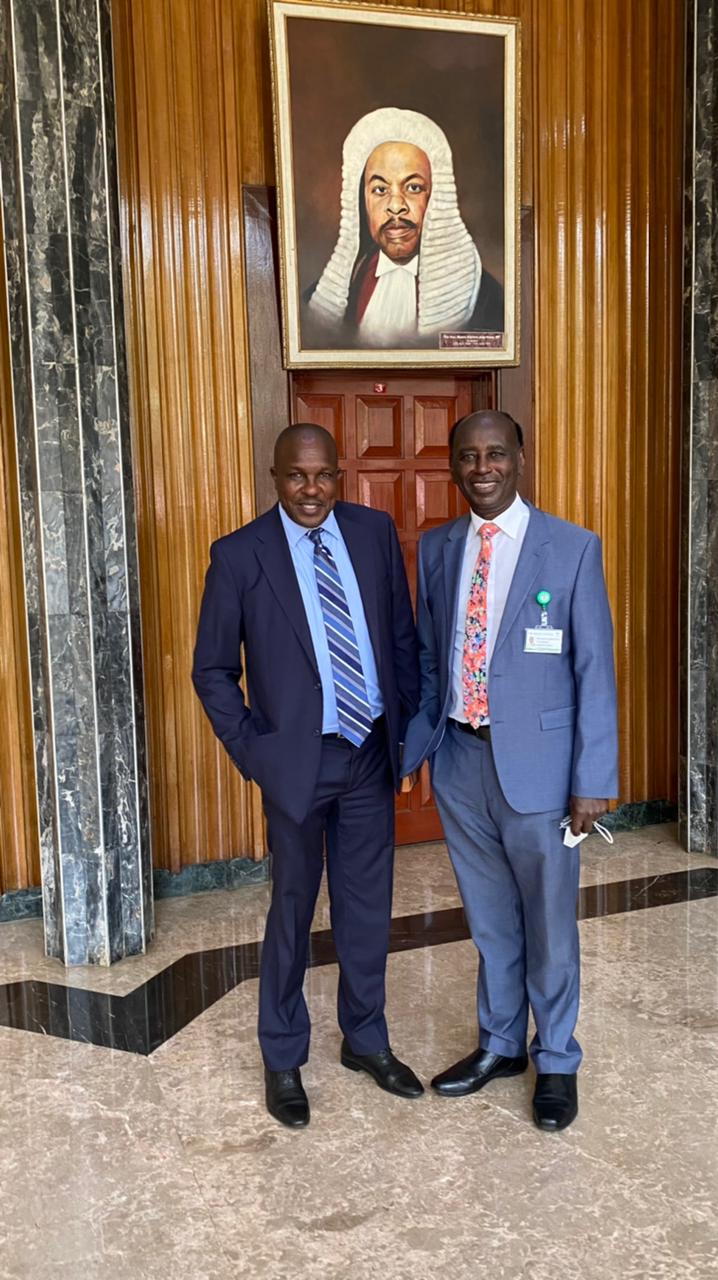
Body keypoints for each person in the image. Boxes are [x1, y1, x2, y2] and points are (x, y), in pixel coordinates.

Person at [192, 424, 423, 1128]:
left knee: (365, 905)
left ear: (339, 475)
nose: (312, 489)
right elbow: (212, 672)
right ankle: (283, 1055)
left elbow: (402, 638)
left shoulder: (374, 532)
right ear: (275, 476)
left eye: (324, 475)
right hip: (295, 764)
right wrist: (255, 752)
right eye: (298, 476)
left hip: (367, 755)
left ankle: (366, 1039)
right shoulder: (238, 556)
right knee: (292, 909)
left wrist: (406, 741)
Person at [402, 410, 618, 1131]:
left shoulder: (572, 549)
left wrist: (592, 777)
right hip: (462, 761)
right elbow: (433, 660)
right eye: (468, 456)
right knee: (491, 919)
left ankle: (555, 1056)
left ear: (520, 460)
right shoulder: (437, 549)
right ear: (454, 466)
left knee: (549, 921)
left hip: (544, 769)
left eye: (496, 454)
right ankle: (500, 1043)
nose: (482, 468)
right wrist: (419, 750)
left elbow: (594, 669)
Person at [305, 107, 503, 349]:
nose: (396, 206)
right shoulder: (323, 300)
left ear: (437, 198)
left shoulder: (487, 300)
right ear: (362, 201)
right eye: (380, 190)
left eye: (413, 188)